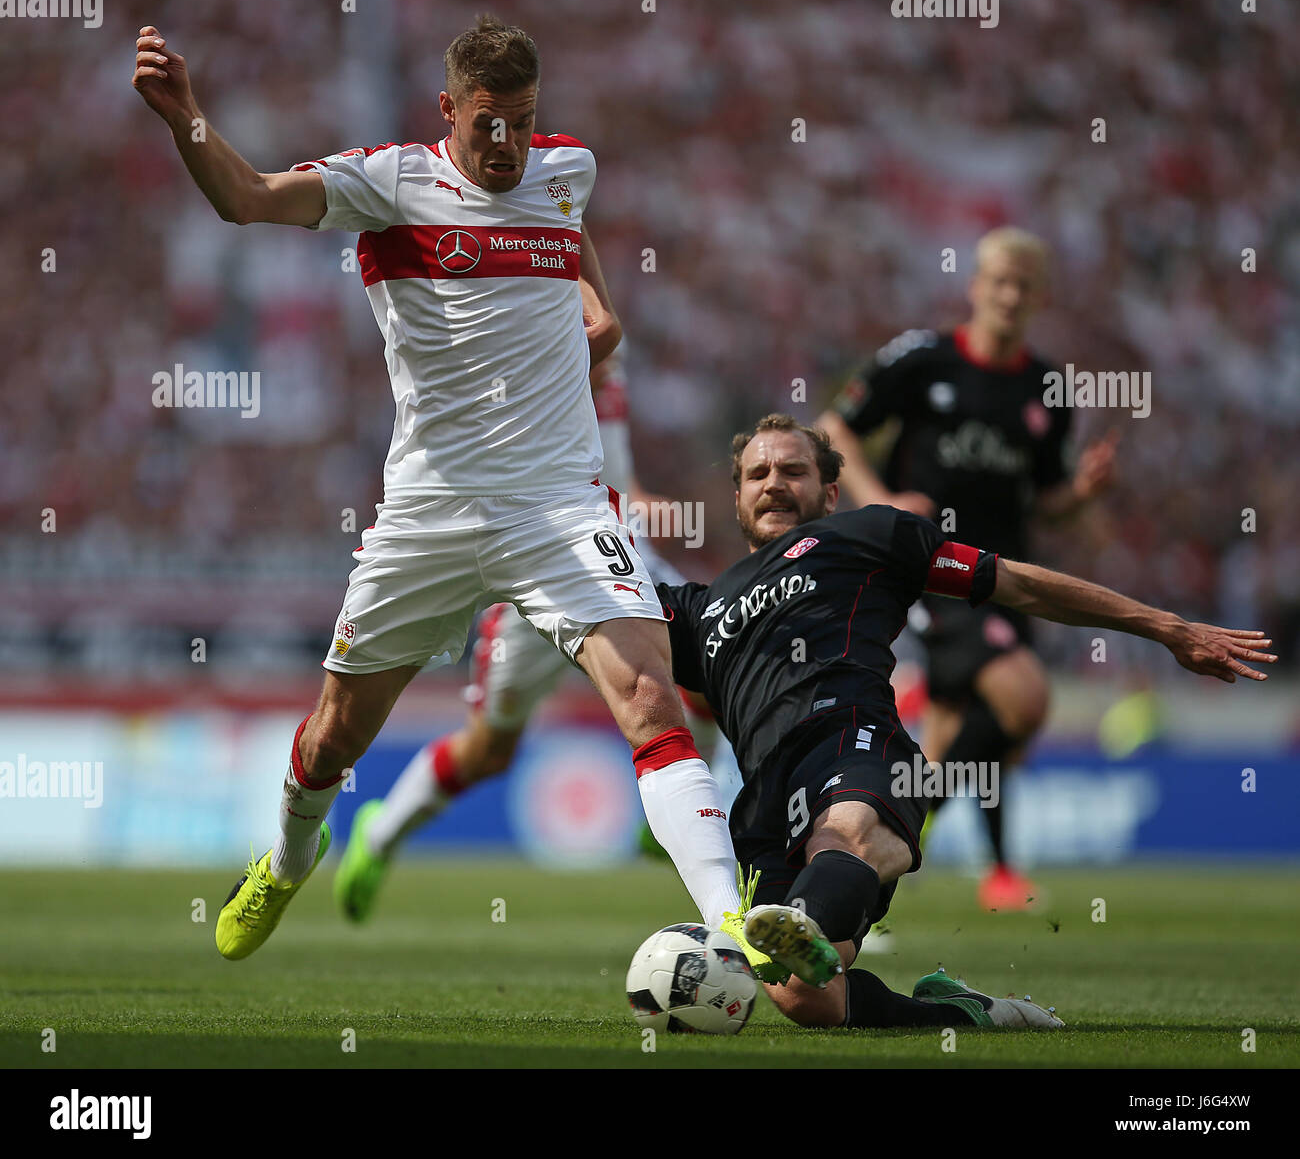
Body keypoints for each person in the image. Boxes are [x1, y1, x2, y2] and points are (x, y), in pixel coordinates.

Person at [133, 14, 753, 967]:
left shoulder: (567, 168)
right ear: (448, 111)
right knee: (334, 738)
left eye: (522, 121)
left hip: (558, 506)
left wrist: (600, 309)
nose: (504, 145)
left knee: (651, 701)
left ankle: (731, 926)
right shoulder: (388, 182)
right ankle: (291, 860)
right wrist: (188, 122)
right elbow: (248, 198)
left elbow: (568, 228)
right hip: (430, 513)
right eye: (485, 124)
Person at [653, 414, 1272, 1029]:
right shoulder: (699, 608)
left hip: (853, 743)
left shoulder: (870, 536)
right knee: (803, 996)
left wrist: (1166, 627)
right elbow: (594, 602)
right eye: (757, 473)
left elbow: (1020, 586)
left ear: (830, 492)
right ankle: (962, 1012)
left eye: (794, 469)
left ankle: (812, 915)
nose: (774, 483)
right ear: (736, 495)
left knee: (845, 836)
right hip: (764, 798)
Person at [332, 347, 722, 921]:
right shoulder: (512, 357)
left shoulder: (605, 361)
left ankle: (672, 825)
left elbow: (608, 464)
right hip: (534, 566)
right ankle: (380, 835)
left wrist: (639, 499)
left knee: (706, 666)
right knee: (489, 750)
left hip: (613, 555)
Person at [818, 228, 1118, 911]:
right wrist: (884, 502)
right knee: (1024, 698)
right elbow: (836, 426)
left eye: (1024, 285)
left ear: (1040, 296)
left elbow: (1045, 503)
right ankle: (902, 837)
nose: (1009, 295)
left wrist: (1082, 494)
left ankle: (869, 873)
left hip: (1005, 575)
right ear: (975, 285)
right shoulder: (922, 359)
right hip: (931, 569)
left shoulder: (1046, 388)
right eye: (999, 281)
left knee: (974, 736)